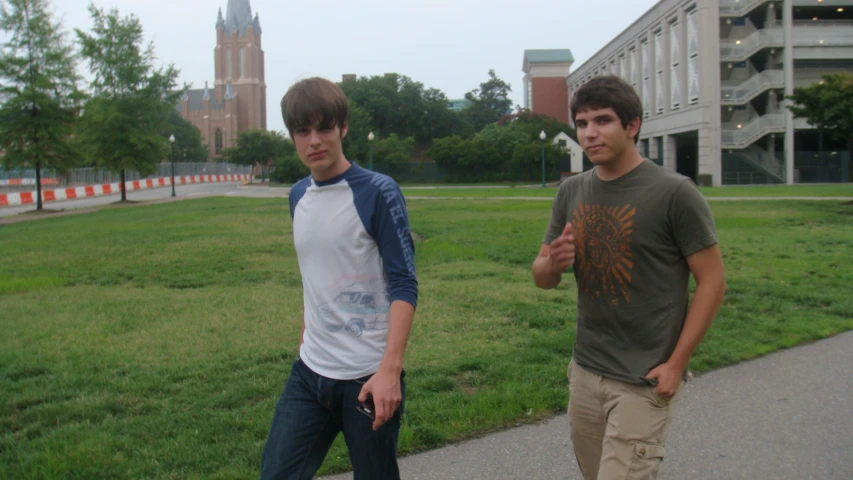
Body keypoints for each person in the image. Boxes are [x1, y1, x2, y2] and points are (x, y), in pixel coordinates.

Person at [532, 75, 726, 480]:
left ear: (632, 125)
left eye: (603, 121)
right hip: (586, 370)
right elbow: (542, 276)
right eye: (582, 123)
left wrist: (677, 363)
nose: (590, 133)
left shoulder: (675, 193)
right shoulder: (572, 192)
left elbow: (712, 282)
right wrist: (554, 265)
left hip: (644, 378)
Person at [260, 77, 418, 480]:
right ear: (293, 137)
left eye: (324, 128)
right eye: (303, 131)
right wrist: (305, 330)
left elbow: (404, 284)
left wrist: (389, 371)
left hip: (366, 377)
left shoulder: (377, 192)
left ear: (342, 128)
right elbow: (317, 272)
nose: (315, 140)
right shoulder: (298, 196)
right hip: (310, 372)